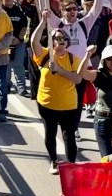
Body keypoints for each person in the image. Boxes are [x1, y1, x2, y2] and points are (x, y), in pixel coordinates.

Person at [47, 0, 104, 136]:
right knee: (63, 100)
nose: (72, 12)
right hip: (62, 69)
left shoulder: (84, 24)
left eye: (75, 9)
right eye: (68, 9)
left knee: (78, 101)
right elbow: (45, 10)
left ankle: (73, 128)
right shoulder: (57, 24)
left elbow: (96, 8)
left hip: (80, 70)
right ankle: (64, 124)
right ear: (62, 11)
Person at [32, 11, 82, 174]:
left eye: (63, 39)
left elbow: (77, 79)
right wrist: (43, 21)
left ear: (67, 43)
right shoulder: (45, 55)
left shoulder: (73, 59)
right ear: (52, 41)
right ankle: (54, 160)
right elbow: (34, 41)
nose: (60, 42)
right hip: (47, 103)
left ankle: (72, 165)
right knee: (50, 133)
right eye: (57, 38)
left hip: (68, 105)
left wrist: (59, 70)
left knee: (69, 136)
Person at [2, 0, 29, 97]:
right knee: (6, 65)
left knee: (18, 64)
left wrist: (19, 38)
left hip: (18, 42)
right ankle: (7, 85)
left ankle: (21, 87)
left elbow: (24, 25)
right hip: (4, 43)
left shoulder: (18, 10)